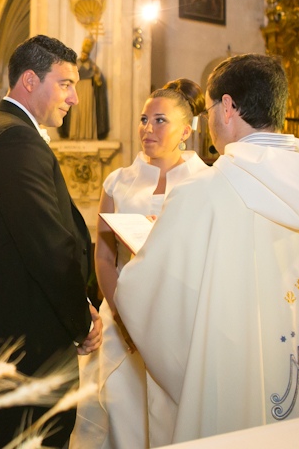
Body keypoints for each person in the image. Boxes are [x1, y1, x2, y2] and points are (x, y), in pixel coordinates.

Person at [114, 54, 299, 444]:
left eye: (209, 108)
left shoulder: (200, 196)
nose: (208, 119)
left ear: (227, 107)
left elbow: (146, 300)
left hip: (236, 411)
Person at [0, 35, 103, 449]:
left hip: (9, 333)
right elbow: (49, 248)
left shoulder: (7, 132)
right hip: (23, 343)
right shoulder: (15, 140)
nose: (74, 97)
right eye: (66, 84)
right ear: (31, 80)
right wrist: (82, 320)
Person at [71, 79, 208, 448]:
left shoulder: (206, 182)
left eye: (160, 120)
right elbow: (104, 253)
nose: (148, 128)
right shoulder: (119, 181)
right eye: (144, 119)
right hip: (122, 319)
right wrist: (124, 315)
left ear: (186, 130)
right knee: (122, 412)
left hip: (181, 317)